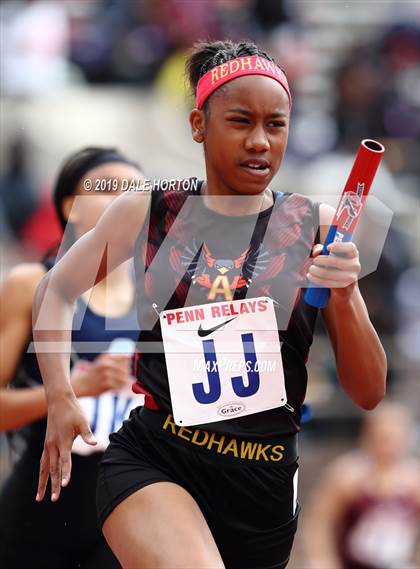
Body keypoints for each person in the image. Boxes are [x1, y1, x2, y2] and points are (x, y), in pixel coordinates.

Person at [33, 40, 387, 569]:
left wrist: (347, 292)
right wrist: (60, 395)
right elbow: (56, 289)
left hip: (262, 486)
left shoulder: (316, 226)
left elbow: (368, 392)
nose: (260, 141)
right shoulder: (149, 211)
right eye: (240, 121)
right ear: (200, 124)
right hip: (156, 459)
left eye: (276, 125)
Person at [0, 147, 143, 569]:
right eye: (108, 188)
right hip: (41, 508)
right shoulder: (32, 283)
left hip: (126, 508)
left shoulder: (161, 293)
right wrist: (72, 389)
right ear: (70, 207)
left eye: (134, 191)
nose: (123, 200)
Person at [303, 402, 420, 569]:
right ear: (369, 434)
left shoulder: (413, 479)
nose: (388, 444)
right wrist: (322, 560)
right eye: (383, 437)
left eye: (394, 437)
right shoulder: (348, 475)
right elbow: (319, 522)